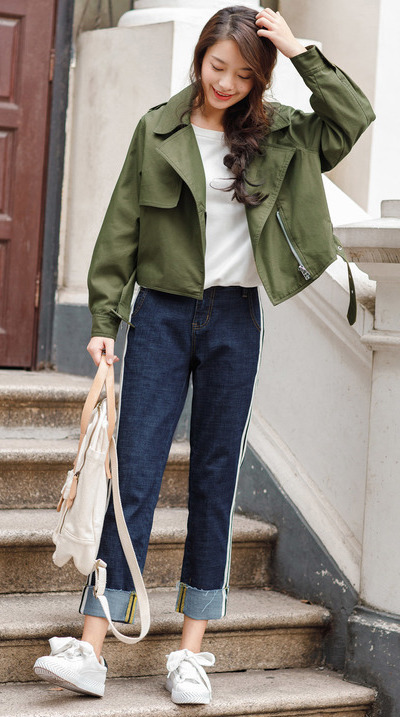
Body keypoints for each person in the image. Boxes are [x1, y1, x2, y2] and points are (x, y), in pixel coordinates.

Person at [33, 5, 375, 704]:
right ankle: (93, 643)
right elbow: (121, 226)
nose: (227, 83)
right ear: (199, 58)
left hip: (234, 321)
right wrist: (105, 317)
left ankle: (190, 652)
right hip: (159, 315)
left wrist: (299, 50)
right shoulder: (157, 130)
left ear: (260, 79)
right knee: (133, 473)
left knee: (216, 480)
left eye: (244, 74)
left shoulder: (278, 134)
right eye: (218, 66)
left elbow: (351, 117)